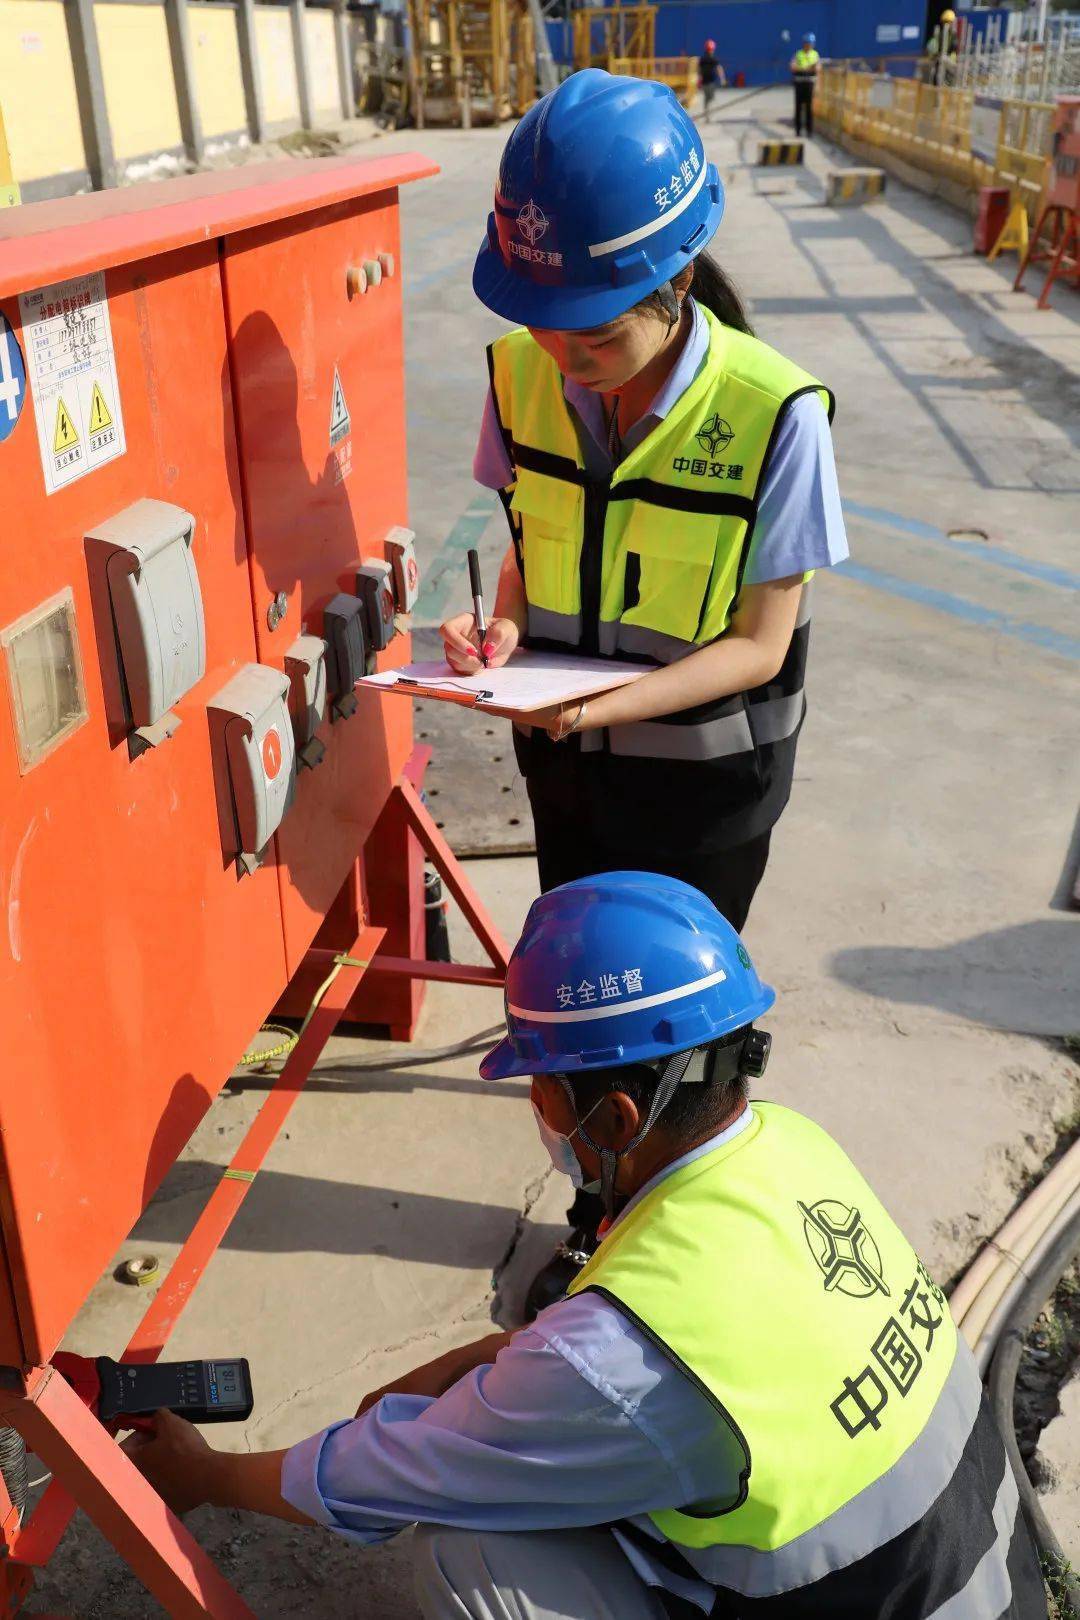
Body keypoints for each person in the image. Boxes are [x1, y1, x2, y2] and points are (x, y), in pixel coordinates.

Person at [127, 873, 1049, 1620]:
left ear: (615, 1116)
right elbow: (662, 1340)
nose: (534, 1109)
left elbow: (388, 1474)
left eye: (540, 1089)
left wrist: (206, 1476)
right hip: (986, 1580)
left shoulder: (618, 1362)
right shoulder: (790, 1148)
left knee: (468, 1551)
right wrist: (473, 1362)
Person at [439, 68, 848, 1311]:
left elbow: (761, 645)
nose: (572, 359)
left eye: (600, 333)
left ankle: (681, 1246)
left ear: (676, 282)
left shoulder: (777, 415)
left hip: (707, 796)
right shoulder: (521, 377)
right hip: (566, 776)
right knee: (577, 1021)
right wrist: (493, 627)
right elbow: (525, 540)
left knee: (675, 1041)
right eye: (551, 324)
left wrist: (598, 708)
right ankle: (599, 1223)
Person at [790, 32, 820, 138]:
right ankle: (798, 131)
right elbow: (793, 67)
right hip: (799, 83)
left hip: (809, 84)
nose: (809, 45)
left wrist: (802, 68)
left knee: (809, 108)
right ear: (804, 44)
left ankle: (809, 131)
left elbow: (817, 68)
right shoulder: (798, 54)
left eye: (811, 43)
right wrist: (807, 68)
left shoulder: (815, 54)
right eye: (807, 43)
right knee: (798, 108)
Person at [697, 38, 725, 122]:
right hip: (710, 82)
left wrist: (699, 80)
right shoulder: (713, 59)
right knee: (710, 99)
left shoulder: (703, 59)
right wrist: (722, 79)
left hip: (706, 82)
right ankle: (708, 115)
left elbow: (699, 71)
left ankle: (707, 114)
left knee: (707, 99)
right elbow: (719, 69)